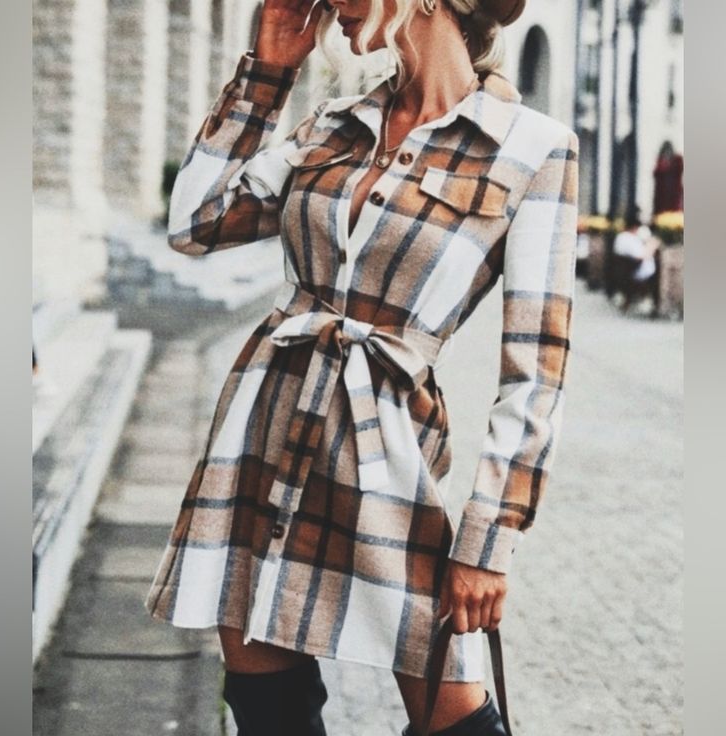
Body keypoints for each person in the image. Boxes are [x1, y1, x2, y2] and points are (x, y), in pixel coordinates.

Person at [144, 1, 579, 734]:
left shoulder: (532, 149)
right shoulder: (332, 124)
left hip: (385, 454)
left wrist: (486, 545)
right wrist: (268, 75)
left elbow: (537, 370)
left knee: (453, 711)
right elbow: (195, 222)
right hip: (263, 434)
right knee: (265, 708)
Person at [612, 207, 660, 315]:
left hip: (626, 271)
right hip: (636, 272)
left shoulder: (620, 237)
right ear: (635, 227)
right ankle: (652, 301)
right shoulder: (630, 239)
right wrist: (652, 246)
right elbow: (640, 256)